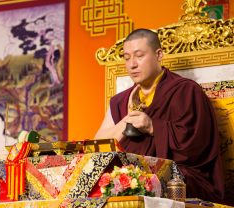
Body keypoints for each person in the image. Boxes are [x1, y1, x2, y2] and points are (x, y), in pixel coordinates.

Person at [95, 29, 224, 202]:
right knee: (101, 182)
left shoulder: (185, 90)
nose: (132, 64)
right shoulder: (121, 101)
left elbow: (197, 145)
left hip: (180, 177)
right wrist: (127, 120)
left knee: (147, 182)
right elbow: (99, 145)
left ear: (159, 55)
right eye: (126, 57)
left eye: (139, 55)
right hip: (132, 174)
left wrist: (153, 126)